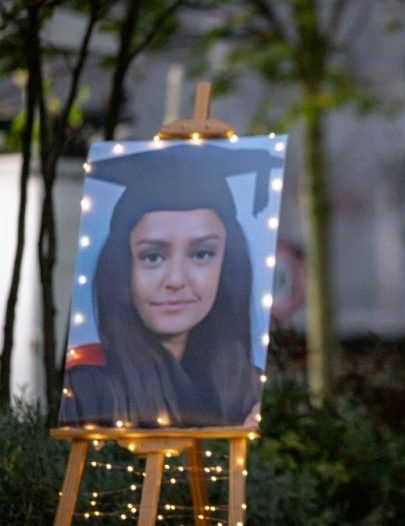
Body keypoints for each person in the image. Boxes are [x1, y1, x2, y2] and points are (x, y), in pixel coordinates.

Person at [59, 144, 279, 428]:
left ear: (227, 265)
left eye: (202, 254)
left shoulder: (245, 386)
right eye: (153, 256)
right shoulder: (88, 381)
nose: (176, 280)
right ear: (122, 267)